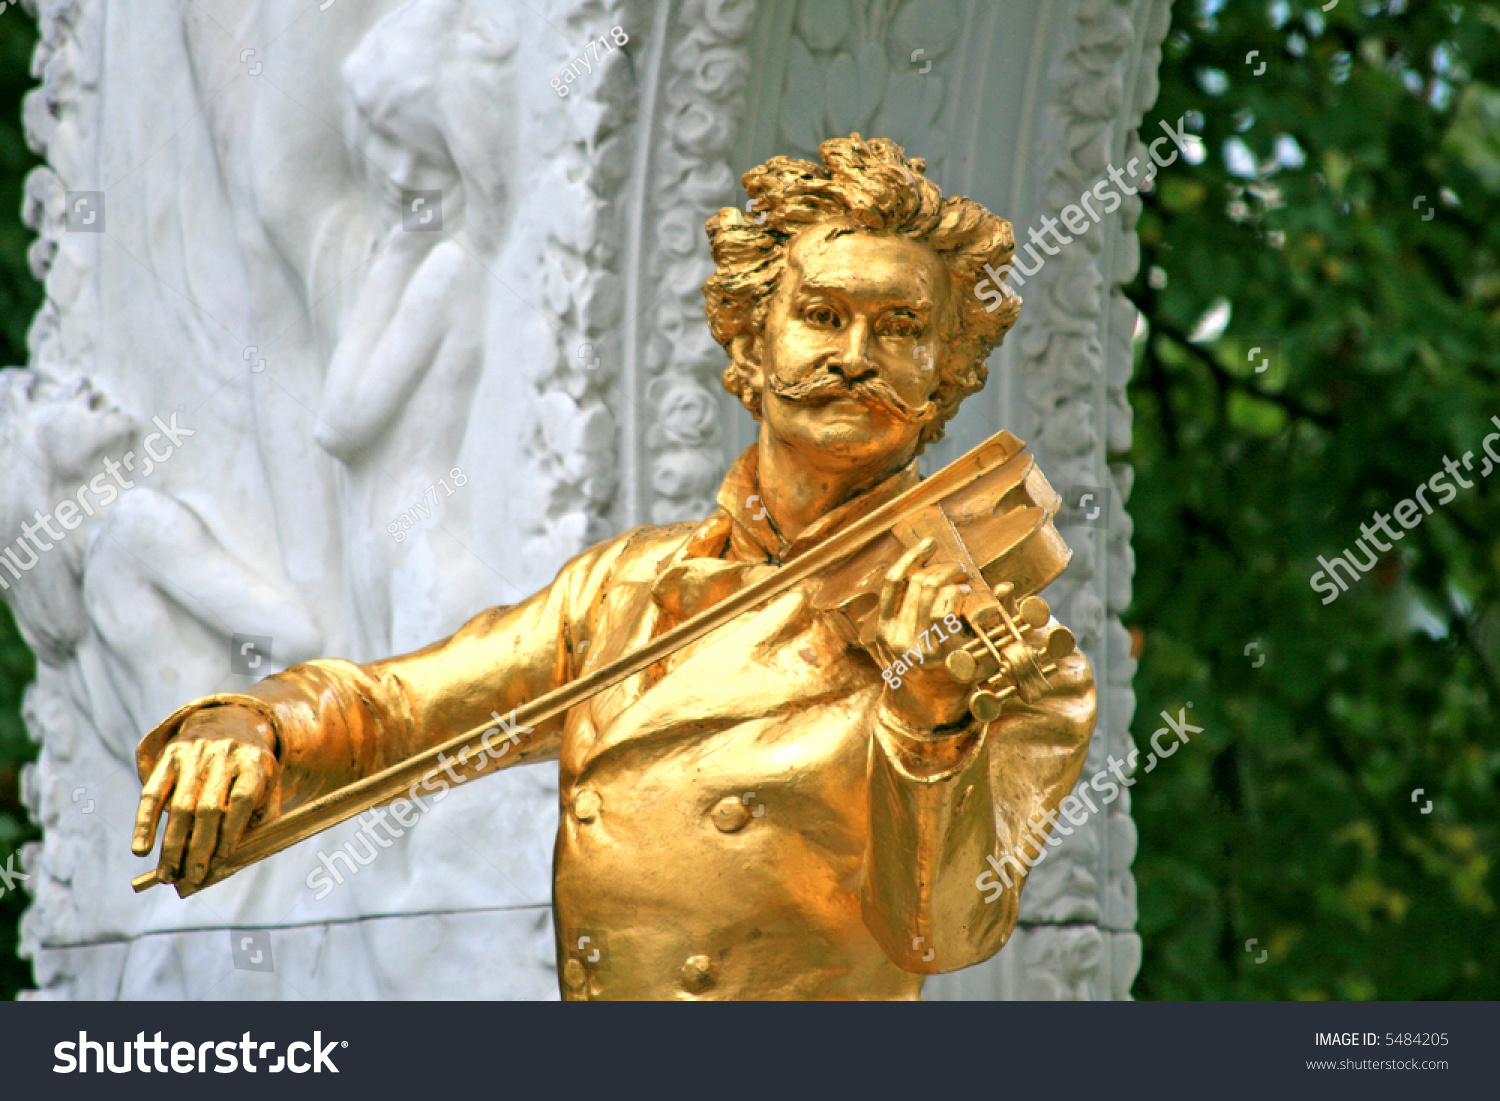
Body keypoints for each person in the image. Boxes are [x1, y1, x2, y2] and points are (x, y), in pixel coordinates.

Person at [131, 135, 1095, 1000]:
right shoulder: (622, 587)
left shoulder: (1009, 649)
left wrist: (930, 721)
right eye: (821, 314)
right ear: (751, 340)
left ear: (945, 375)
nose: (853, 356)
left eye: (899, 327)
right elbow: (402, 712)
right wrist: (251, 721)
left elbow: (947, 929)